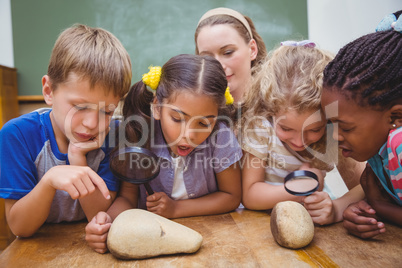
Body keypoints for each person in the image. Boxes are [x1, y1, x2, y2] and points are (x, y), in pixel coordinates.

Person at [85, 54, 242, 253]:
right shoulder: (139, 133)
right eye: (177, 118)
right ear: (157, 107)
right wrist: (108, 221)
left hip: (215, 239)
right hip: (149, 239)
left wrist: (176, 209)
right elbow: (128, 198)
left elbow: (231, 196)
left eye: (203, 123)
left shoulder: (221, 138)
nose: (189, 135)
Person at [0, 24, 132, 237]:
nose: (91, 124)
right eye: (80, 107)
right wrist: (49, 181)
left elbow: (98, 216)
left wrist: (77, 157)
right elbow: (20, 228)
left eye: (107, 111)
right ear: (48, 91)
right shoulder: (17, 135)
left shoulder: (114, 134)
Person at [240, 41, 365, 225]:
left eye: (314, 129)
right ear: (271, 110)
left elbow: (368, 185)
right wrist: (298, 188)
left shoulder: (332, 133)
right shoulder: (261, 129)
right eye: (286, 128)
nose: (299, 142)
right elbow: (250, 196)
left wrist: (336, 207)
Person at [321, 10, 402, 238]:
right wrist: (363, 211)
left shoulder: (399, 141)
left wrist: (381, 206)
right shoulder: (380, 147)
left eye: (345, 127)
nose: (334, 136)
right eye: (330, 124)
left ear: (396, 118)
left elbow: (382, 202)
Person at [195, 7, 267, 103]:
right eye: (207, 57)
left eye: (228, 52)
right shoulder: (191, 108)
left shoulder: (278, 106)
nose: (219, 66)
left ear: (252, 49)